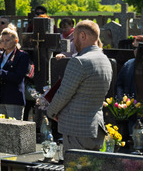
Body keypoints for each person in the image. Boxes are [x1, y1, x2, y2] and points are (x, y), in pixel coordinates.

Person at [46, 20, 113, 151]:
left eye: (74, 37)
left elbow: (64, 94)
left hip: (77, 130)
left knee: (75, 170)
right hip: (95, 127)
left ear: (83, 36)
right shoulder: (105, 60)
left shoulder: (79, 61)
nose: (73, 42)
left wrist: (51, 112)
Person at [0, 27, 33, 120]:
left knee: (14, 127)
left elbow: (18, 76)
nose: (5, 43)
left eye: (8, 40)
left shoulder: (22, 56)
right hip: (0, 97)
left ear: (15, 41)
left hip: (14, 97)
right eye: (3, 40)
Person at [116, 34, 143, 99]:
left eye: (139, 48)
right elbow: (119, 84)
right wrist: (122, 99)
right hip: (129, 105)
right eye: (134, 48)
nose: (136, 50)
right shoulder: (128, 64)